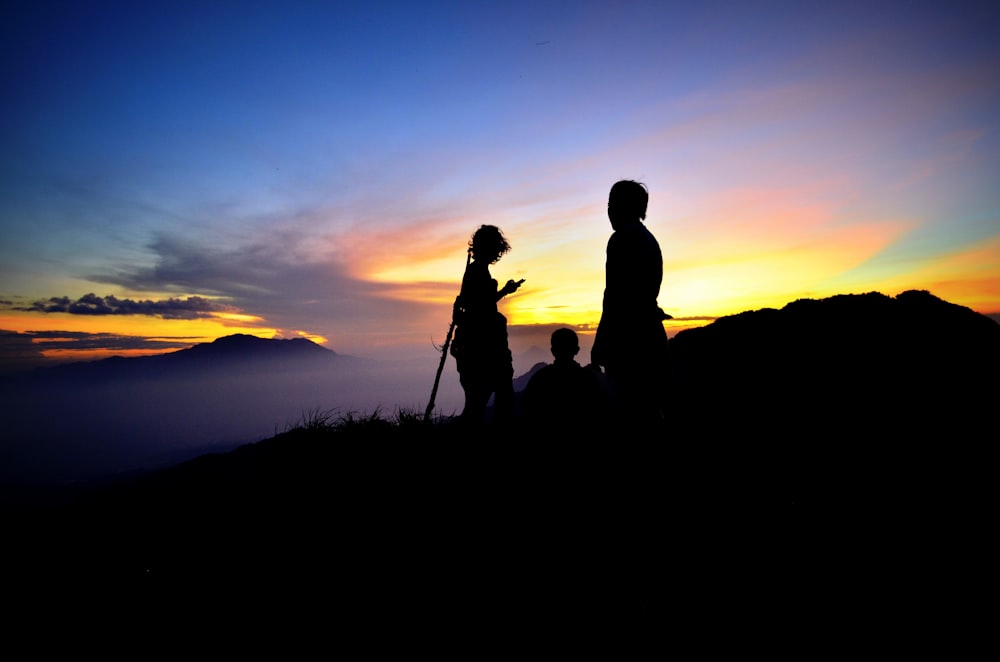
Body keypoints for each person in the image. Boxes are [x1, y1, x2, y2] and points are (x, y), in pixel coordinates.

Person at [590, 180, 670, 427]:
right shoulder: (648, 239)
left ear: (624, 207)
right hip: (650, 336)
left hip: (628, 340)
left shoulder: (621, 239)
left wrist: (600, 342)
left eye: (613, 204)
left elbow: (614, 295)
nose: (609, 211)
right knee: (648, 411)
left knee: (628, 414)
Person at [451, 225, 524, 428]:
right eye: (496, 248)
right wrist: (503, 292)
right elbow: (480, 307)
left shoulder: (476, 271)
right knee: (485, 402)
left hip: (477, 346)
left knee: (480, 402)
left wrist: (504, 291)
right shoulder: (476, 272)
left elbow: (479, 304)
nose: (497, 253)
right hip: (483, 348)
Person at [521, 327, 607, 435]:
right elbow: (600, 409)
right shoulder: (587, 379)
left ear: (553, 351)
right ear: (577, 350)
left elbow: (527, 406)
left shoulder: (540, 378)